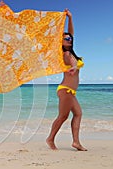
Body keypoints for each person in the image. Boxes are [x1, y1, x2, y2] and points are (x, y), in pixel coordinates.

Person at [46, 9, 87, 151]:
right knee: (63, 116)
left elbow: (71, 33)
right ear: (61, 41)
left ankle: (76, 142)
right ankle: (50, 139)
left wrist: (70, 17)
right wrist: (75, 67)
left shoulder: (71, 52)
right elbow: (72, 62)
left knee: (78, 113)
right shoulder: (66, 53)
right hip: (65, 90)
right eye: (66, 38)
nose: (69, 39)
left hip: (70, 92)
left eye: (70, 38)